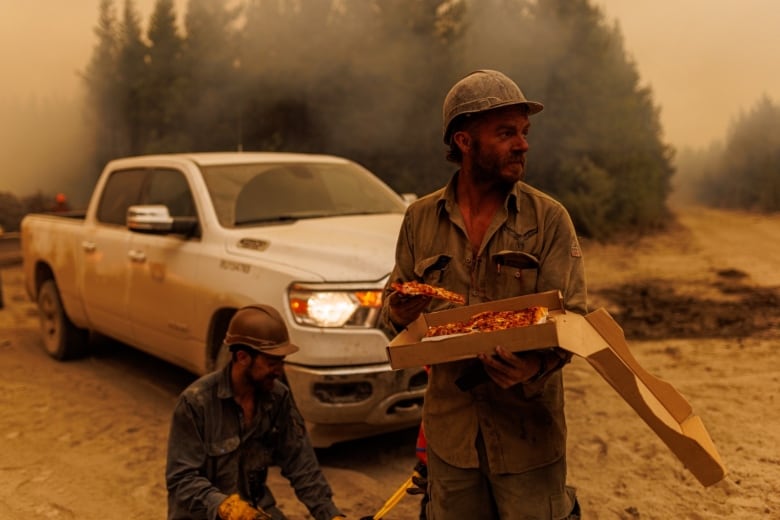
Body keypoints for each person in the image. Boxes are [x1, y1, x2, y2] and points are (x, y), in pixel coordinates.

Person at [379, 69, 586, 519]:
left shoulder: (549, 219)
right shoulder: (420, 219)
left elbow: (576, 320)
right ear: (464, 141)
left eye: (525, 132)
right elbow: (390, 313)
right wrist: (399, 311)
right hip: (451, 438)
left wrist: (533, 367)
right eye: (506, 132)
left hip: (528, 437)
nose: (523, 144)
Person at [166, 304, 345, 520]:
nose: (279, 371)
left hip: (256, 509)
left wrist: (330, 514)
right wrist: (225, 507)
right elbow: (181, 479)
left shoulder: (278, 398)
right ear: (242, 357)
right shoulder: (196, 403)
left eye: (281, 362)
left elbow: (301, 464)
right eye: (271, 363)